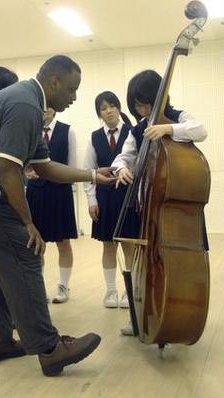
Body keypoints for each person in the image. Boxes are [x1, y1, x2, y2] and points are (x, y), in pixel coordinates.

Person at [0, 55, 113, 377]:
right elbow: (7, 170)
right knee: (25, 251)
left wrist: (92, 175)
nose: (74, 97)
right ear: (54, 81)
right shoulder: (25, 105)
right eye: (73, 89)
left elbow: (44, 167)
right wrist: (28, 222)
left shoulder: (27, 102)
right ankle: (49, 347)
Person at [112, 69, 208, 335]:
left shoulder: (179, 117)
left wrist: (168, 128)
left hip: (178, 208)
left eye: (144, 103)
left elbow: (201, 131)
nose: (141, 110)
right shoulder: (138, 129)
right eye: (136, 106)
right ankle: (142, 315)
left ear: (159, 97)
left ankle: (183, 311)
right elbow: (123, 157)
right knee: (147, 267)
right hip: (151, 209)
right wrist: (122, 169)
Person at [83, 91, 138, 309]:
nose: (109, 111)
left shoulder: (132, 133)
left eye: (113, 105)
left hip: (128, 196)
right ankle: (111, 290)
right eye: (104, 108)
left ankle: (129, 289)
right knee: (108, 246)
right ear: (99, 113)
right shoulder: (94, 137)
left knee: (129, 245)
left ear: (119, 108)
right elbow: (89, 172)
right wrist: (91, 201)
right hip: (104, 198)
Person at [25, 107, 78, 304]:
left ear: (54, 110)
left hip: (60, 192)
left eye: (47, 107)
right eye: (40, 106)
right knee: (37, 244)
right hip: (35, 192)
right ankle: (38, 288)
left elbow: (72, 164)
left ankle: (63, 286)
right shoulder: (29, 130)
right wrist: (25, 171)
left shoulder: (68, 130)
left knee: (63, 241)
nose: (44, 110)